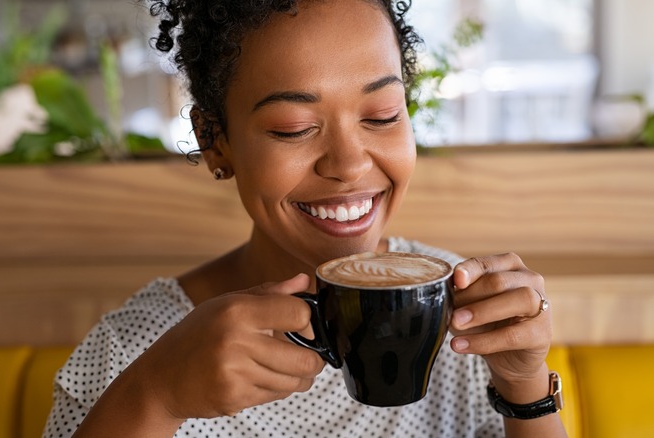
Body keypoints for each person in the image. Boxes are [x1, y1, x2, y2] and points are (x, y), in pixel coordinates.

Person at [44, 0, 567, 436]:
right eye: (293, 128)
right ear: (215, 140)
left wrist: (523, 383)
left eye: (383, 115)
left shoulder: (465, 315)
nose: (349, 165)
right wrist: (155, 396)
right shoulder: (133, 352)